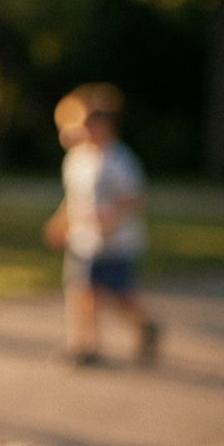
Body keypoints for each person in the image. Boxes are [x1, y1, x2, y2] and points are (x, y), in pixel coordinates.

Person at [43, 82, 159, 366]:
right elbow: (73, 199)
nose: (77, 131)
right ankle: (85, 345)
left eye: (84, 124)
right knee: (81, 291)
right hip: (85, 240)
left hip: (116, 242)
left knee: (119, 296)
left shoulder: (120, 160)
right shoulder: (76, 159)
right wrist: (61, 222)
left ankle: (145, 324)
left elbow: (135, 197)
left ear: (103, 124)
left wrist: (113, 215)